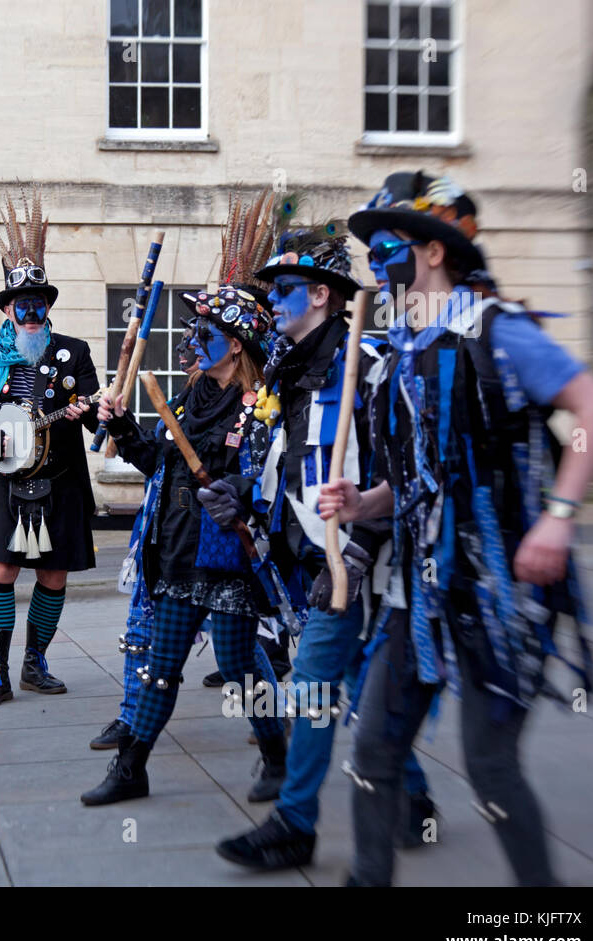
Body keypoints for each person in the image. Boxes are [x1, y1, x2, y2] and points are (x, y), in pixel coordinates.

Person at [320, 171, 593, 886]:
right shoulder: (397, 358)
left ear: (431, 252)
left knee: (490, 770)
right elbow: (420, 482)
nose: (374, 264)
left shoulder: (496, 332)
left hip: (500, 594)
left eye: (386, 247)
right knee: (373, 756)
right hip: (419, 594)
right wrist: (363, 504)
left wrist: (560, 517)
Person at [216, 222, 435, 870]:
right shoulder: (287, 369)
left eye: (282, 290)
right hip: (314, 555)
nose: (272, 302)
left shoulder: (370, 365)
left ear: (319, 294)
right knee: (356, 681)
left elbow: (412, 467)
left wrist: (361, 545)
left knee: (315, 683)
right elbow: (271, 455)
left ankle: (295, 822)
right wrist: (235, 488)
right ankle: (413, 798)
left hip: (369, 558)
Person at [81, 188, 288, 806]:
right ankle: (131, 769)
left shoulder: (260, 405)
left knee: (242, 664)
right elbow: (157, 466)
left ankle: (277, 758)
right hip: (174, 555)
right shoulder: (194, 396)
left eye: (206, 330)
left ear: (236, 342)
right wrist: (120, 426)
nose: (194, 338)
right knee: (160, 666)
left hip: (224, 560)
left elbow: (257, 481)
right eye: (195, 327)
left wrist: (233, 487)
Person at [0, 189, 101, 706]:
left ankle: (35, 662)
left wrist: (93, 411)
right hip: (5, 479)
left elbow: (98, 412)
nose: (30, 315)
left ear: (47, 308)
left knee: (54, 574)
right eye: (20, 307)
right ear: (9, 309)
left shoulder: (74, 353)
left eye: (38, 306)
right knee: (0, 571)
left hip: (61, 478)